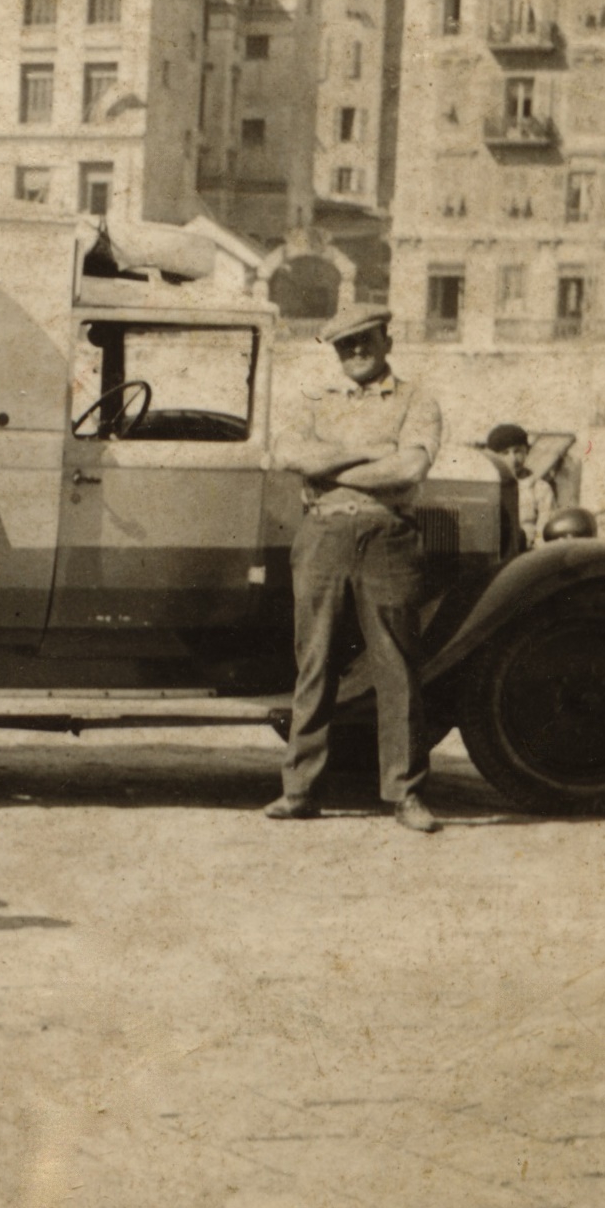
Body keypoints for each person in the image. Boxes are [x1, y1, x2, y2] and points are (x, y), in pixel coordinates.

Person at [267, 305, 446, 833]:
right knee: (315, 663)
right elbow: (287, 454)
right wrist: (370, 454)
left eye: (365, 341)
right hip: (321, 535)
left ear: (386, 340)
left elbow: (410, 467)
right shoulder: (316, 401)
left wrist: (331, 464)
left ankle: (406, 794)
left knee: (397, 668)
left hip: (386, 536)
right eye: (345, 346)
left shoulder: (417, 400)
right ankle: (300, 790)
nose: (356, 353)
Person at [481, 422, 579, 543]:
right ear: (493, 457)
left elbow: (543, 534)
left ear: (526, 451)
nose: (512, 458)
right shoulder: (484, 486)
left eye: (517, 451)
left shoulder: (540, 488)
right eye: (504, 453)